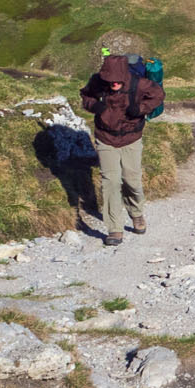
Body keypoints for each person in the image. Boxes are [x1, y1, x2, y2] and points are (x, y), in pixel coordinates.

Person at [79, 53, 165, 246]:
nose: (114, 84)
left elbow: (158, 95)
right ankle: (115, 229)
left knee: (131, 179)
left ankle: (136, 214)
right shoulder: (98, 81)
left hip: (131, 138)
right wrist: (97, 107)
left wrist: (141, 108)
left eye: (117, 81)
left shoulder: (139, 84)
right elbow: (86, 96)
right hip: (105, 138)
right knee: (110, 181)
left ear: (124, 76)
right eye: (110, 81)